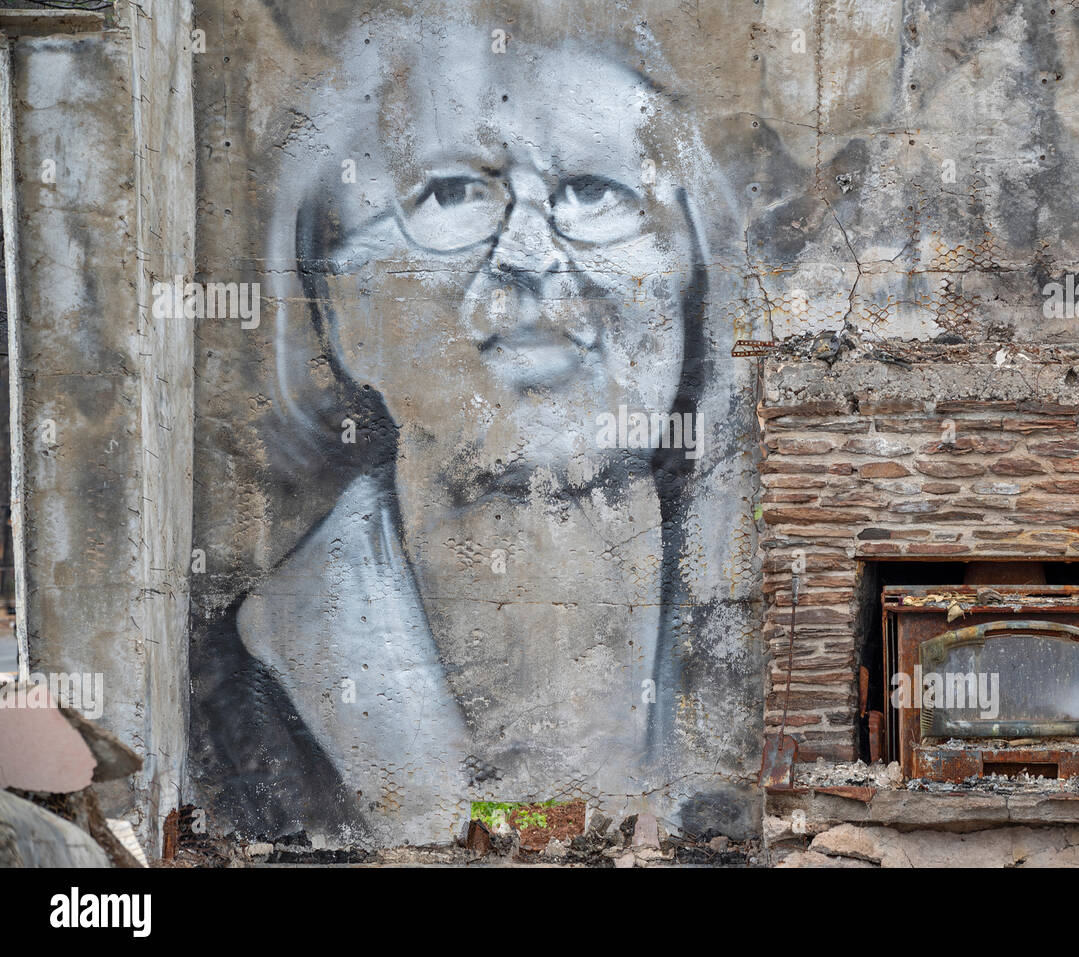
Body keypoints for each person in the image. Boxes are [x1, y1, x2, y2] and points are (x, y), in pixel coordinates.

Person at [191, 13, 759, 846]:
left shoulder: (757, 625)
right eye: (453, 192)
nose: (529, 255)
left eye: (597, 192)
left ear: (691, 279)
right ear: (343, 306)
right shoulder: (243, 685)